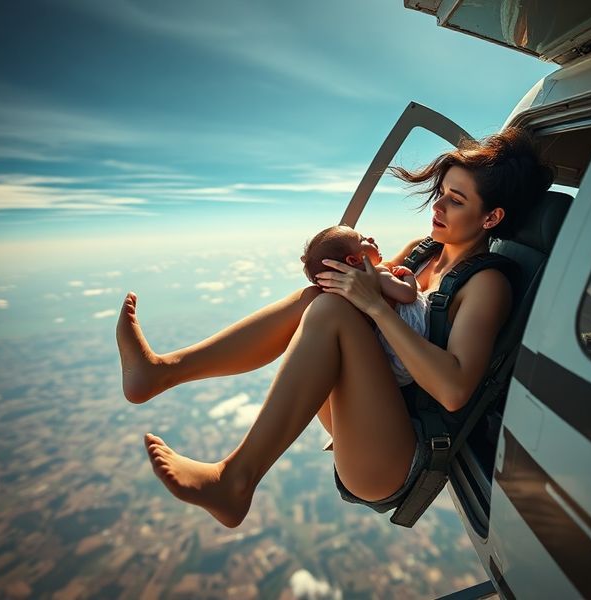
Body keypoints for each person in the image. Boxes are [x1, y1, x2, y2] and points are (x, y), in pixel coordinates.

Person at [115, 127, 554, 527]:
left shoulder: (486, 284)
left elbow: (455, 389)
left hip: (398, 454)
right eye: (441, 192)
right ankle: (162, 371)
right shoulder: (420, 254)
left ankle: (235, 480)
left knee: (334, 311)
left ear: (491, 218)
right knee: (319, 298)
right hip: (368, 411)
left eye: (456, 201)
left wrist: (375, 308)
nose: (437, 205)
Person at [301, 225, 428, 387]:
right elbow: (408, 296)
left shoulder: (342, 295)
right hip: (408, 354)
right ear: (353, 261)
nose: (371, 239)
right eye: (363, 240)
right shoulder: (379, 275)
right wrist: (409, 276)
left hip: (383, 364)